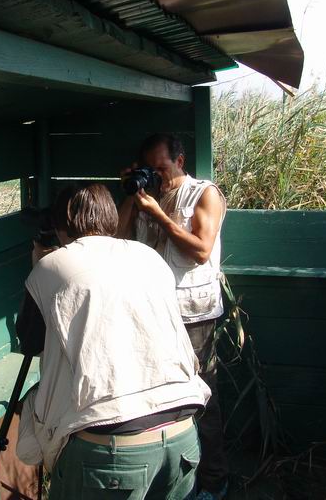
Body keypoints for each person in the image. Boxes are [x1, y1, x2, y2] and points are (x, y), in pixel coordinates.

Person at [15, 183, 210, 499]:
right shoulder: (147, 256)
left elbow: (30, 341)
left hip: (112, 452)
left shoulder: (51, 267)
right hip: (183, 431)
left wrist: (38, 263)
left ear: (62, 224)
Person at [117, 134, 229, 500]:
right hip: (152, 314)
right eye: (152, 170)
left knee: (202, 401)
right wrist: (132, 199)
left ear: (180, 160)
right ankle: (174, 483)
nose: (159, 177)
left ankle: (213, 483)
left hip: (193, 317)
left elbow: (201, 250)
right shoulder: (146, 197)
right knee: (161, 402)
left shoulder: (203, 194)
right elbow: (117, 238)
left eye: (163, 169)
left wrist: (160, 216)